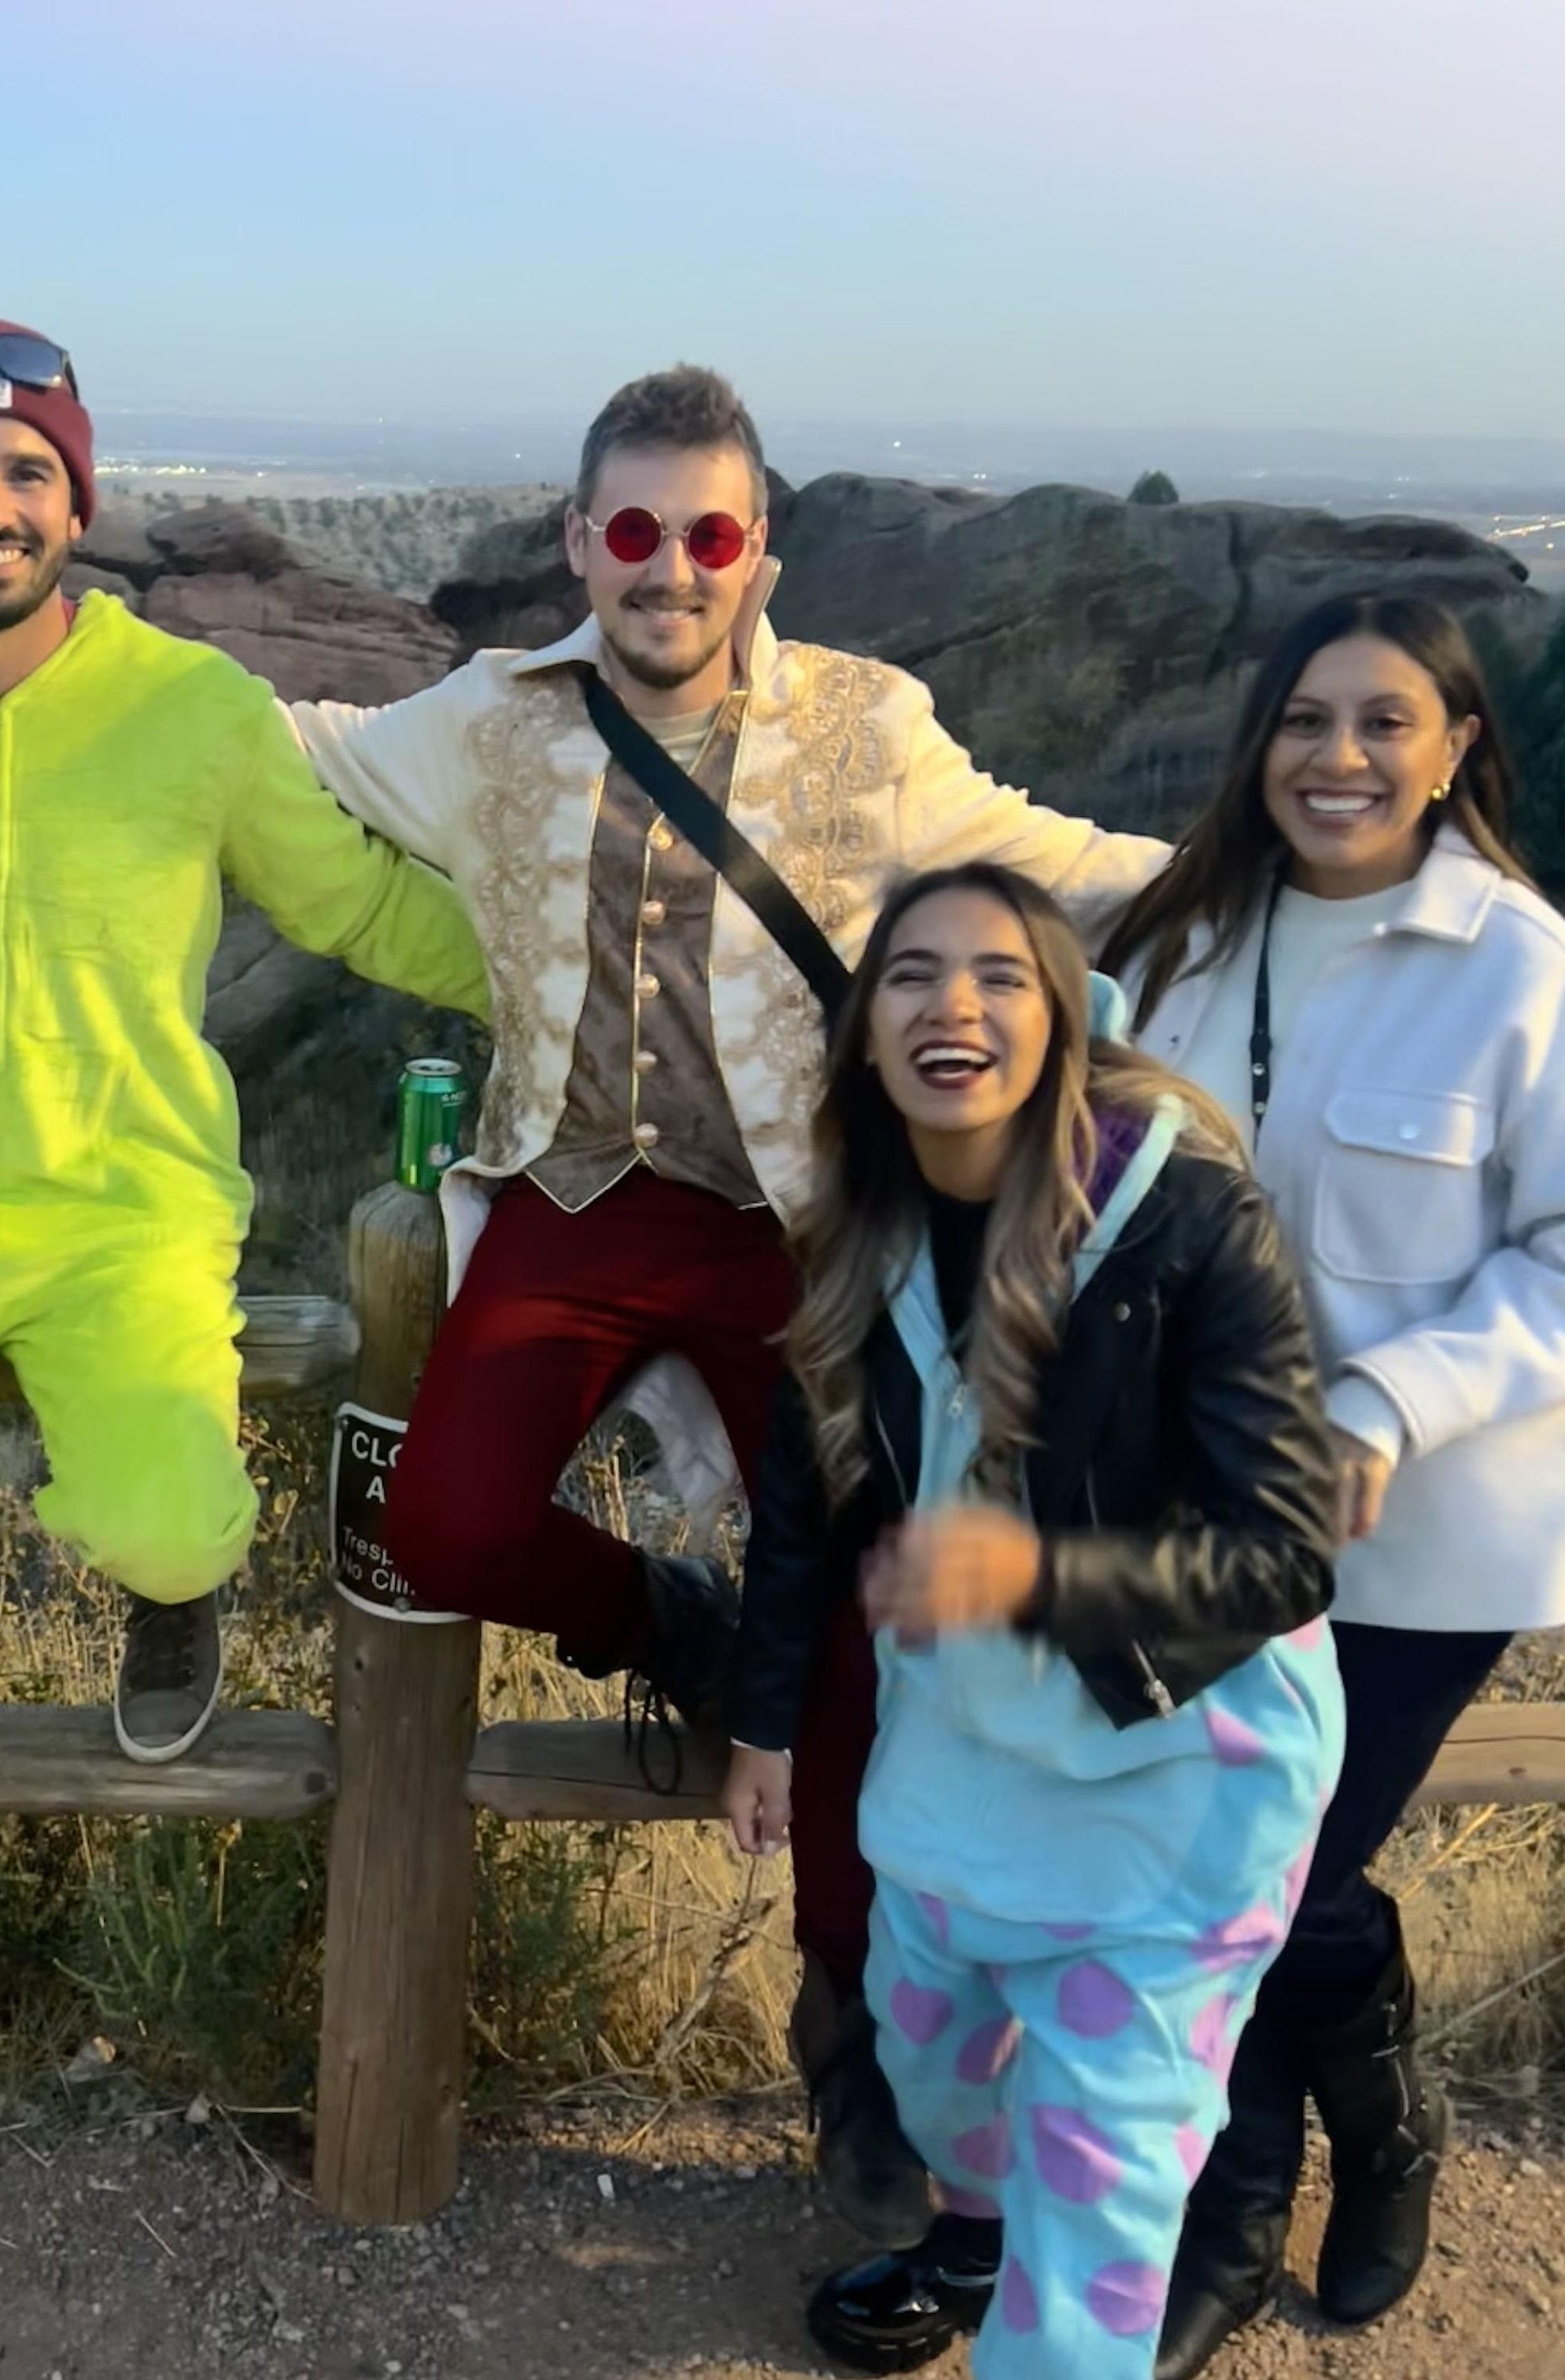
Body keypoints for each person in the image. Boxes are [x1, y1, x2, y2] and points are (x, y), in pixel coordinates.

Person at [282, 366, 1169, 2241]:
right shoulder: (493, 721)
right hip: (569, 1202)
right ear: (575, 542)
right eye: (630, 531)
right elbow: (294, 744)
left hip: (794, 1227)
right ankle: (672, 1622)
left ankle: (856, 2060)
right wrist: (61, 653)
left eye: (706, 534)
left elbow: (1056, 864)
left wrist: (1286, 869)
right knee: (439, 1517)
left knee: (855, 1636)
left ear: (761, 549)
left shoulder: (868, 723)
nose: (667, 569)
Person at [0, 316, 489, 1768]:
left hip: (126, 1196)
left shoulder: (193, 711)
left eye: (25, 472)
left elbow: (354, 902)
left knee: (173, 1532)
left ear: (78, 503)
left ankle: (169, 1601)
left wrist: (556, 990)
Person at [720, 862, 1343, 2378]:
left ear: (1062, 1022)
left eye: (1002, 974)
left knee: (1097, 2216)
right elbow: (808, 1510)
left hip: (1175, 1789)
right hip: (963, 1769)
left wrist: (1034, 1577)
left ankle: (1057, 2295)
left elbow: (1285, 1548)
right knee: (932, 2069)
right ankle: (978, 2222)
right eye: (914, 975)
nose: (957, 1003)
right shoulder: (850, 1241)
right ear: (866, 1035)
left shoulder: (1186, 1224)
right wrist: (761, 1726)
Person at [1097, 594, 1565, 2376]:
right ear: (1260, 745)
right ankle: (1367, 2131)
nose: (1341, 757)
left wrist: (1381, 1401)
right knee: (1227, 1858)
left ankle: (1257, 2200)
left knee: (1274, 1870)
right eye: (1306, 719)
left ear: (1457, 749)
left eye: (1386, 722)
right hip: (1198, 1520)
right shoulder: (1186, 945)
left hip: (1422, 1533)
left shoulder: (1524, 969)